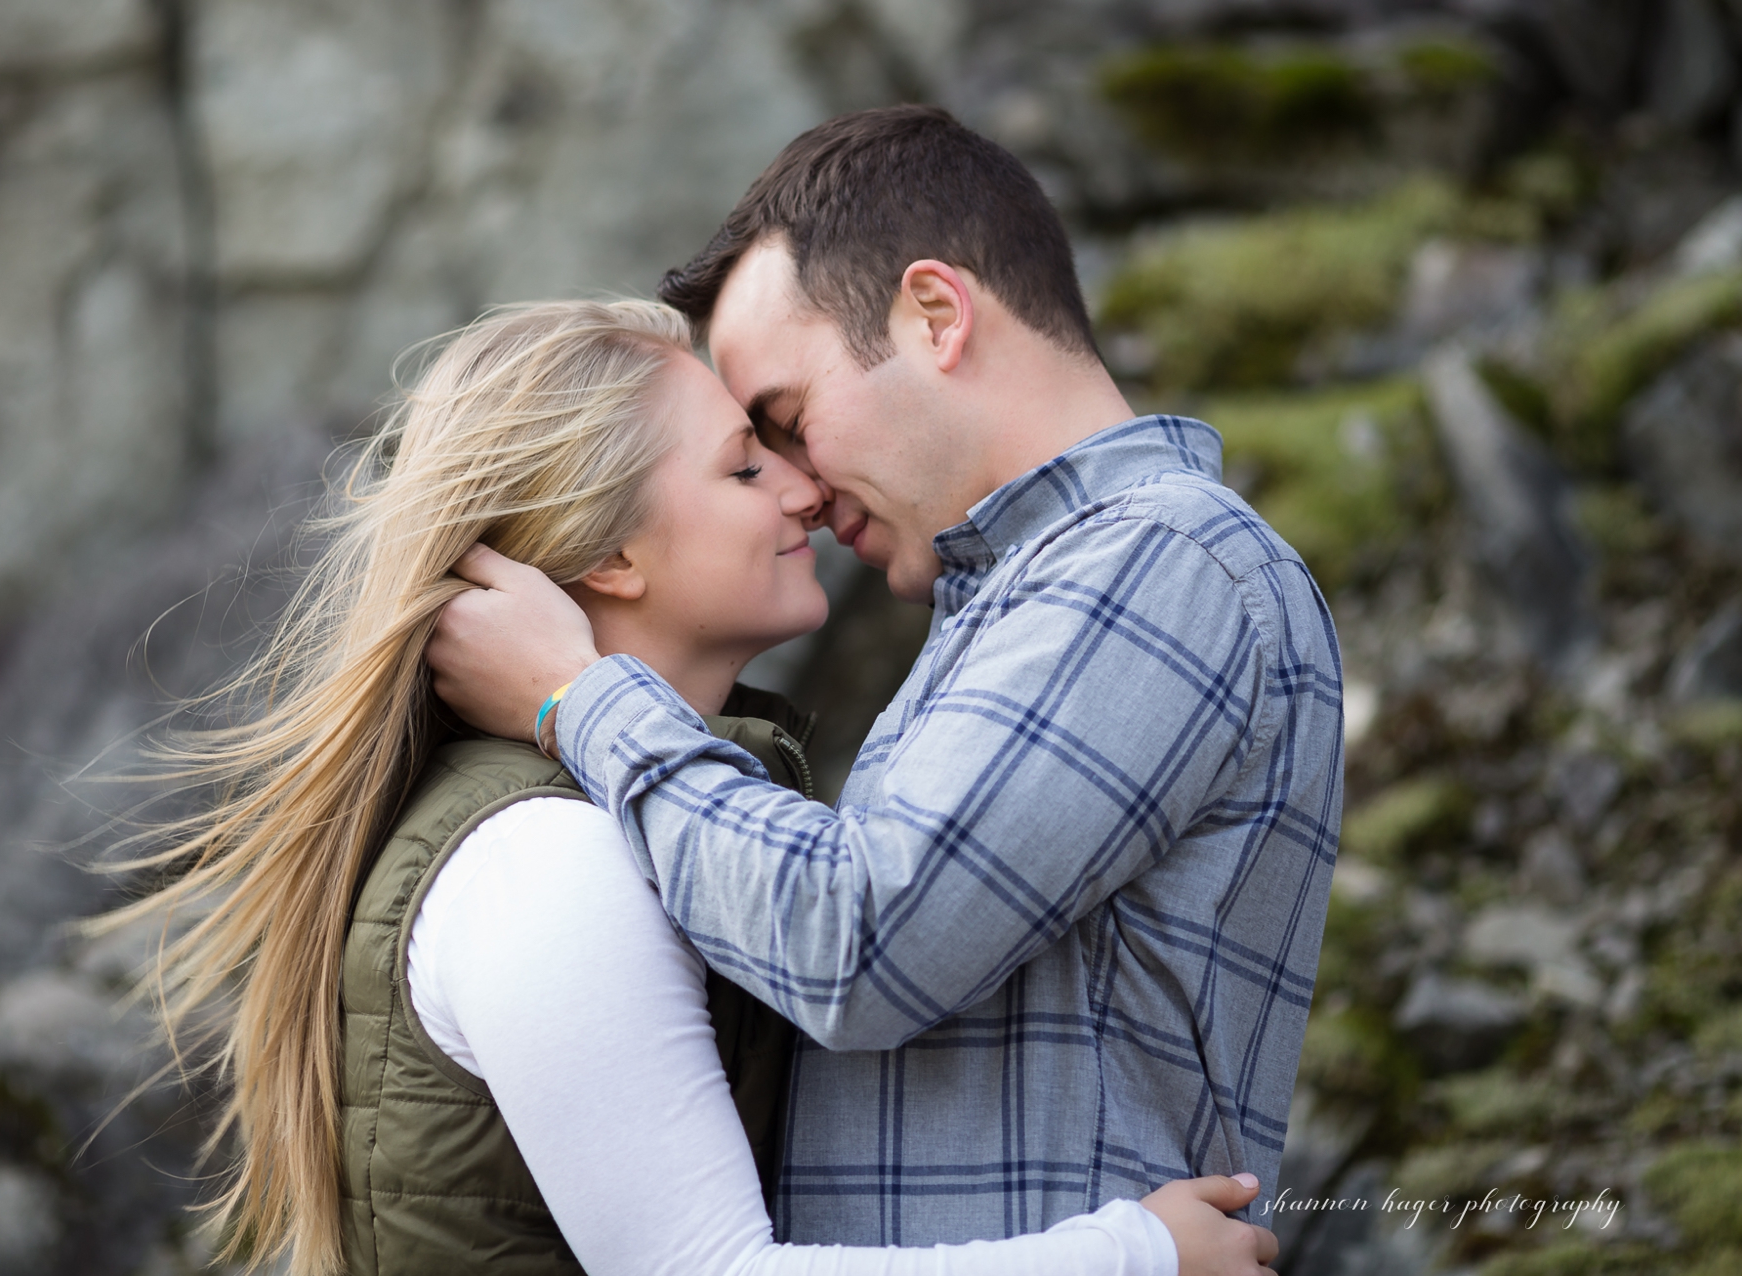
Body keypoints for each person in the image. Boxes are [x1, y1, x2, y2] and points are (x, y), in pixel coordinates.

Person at [115, 298, 1280, 1276]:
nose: (802, 489)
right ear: (608, 555)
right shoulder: (544, 862)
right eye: (742, 462)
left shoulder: (611, 818)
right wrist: (1135, 1254)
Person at [428, 107, 1343, 1249]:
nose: (799, 489)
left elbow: (856, 945)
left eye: (789, 421)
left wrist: (582, 702)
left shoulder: (1159, 562)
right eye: (756, 452)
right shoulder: (1016, 599)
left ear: (934, 315)